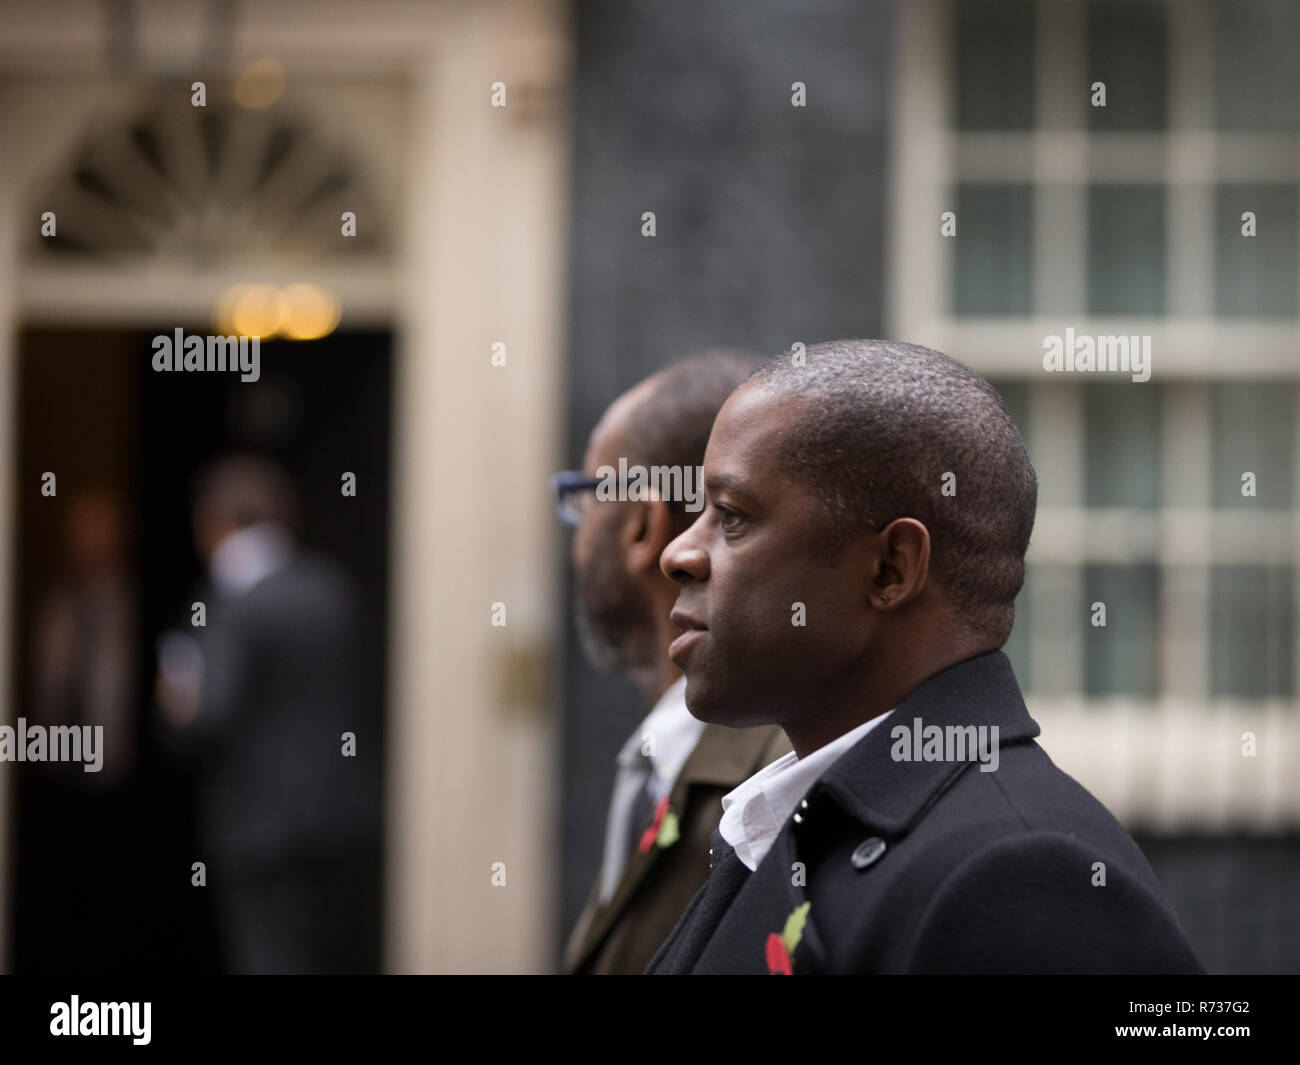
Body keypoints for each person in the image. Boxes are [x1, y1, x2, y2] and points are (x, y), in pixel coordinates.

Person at [647, 339, 1204, 974]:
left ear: (890, 570)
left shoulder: (1022, 878)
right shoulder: (791, 821)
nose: (679, 554)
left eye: (733, 515)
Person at [559, 353, 790, 975]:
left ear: (642, 526)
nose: (575, 538)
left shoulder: (774, 788)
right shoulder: (668, 752)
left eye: (582, 500)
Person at [156, 454, 381, 974]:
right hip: (335, 818)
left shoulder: (233, 604)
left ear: (214, 524)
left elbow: (209, 715)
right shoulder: (332, 589)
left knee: (267, 958)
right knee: (316, 952)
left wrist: (174, 702)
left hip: (258, 827)